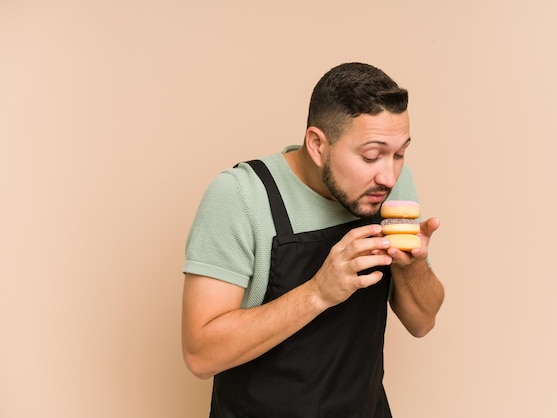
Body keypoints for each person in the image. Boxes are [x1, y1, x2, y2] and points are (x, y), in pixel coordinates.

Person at [181, 62, 445, 417]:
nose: (388, 174)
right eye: (371, 155)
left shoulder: (390, 186)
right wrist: (318, 292)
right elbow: (200, 355)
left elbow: (422, 322)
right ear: (317, 144)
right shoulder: (240, 197)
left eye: (399, 154)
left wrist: (411, 266)